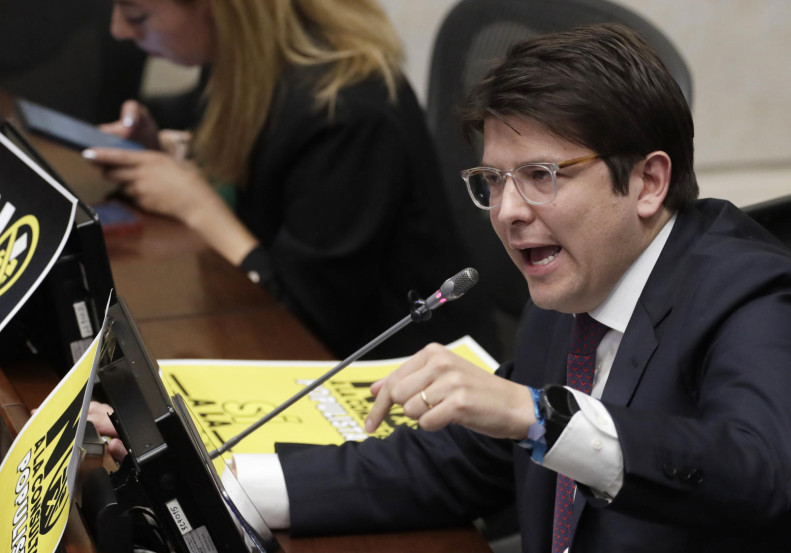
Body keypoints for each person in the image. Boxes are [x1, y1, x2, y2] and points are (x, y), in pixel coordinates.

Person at [236, 23, 791, 553]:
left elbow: (750, 471)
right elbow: (464, 463)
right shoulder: (572, 292)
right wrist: (235, 488)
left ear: (649, 182)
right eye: (491, 182)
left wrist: (539, 416)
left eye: (540, 175)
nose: (506, 211)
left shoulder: (761, 298)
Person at [83, 0, 497, 359]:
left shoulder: (347, 110)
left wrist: (195, 204)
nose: (119, 30)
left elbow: (307, 319)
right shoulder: (241, 66)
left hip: (407, 366)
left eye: (137, 14)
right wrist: (170, 149)